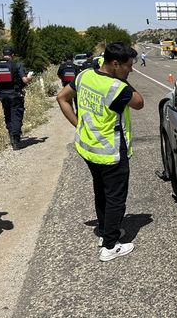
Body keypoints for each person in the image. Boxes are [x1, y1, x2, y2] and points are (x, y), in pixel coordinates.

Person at [56, 42, 144, 262]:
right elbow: (139, 103)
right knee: (115, 198)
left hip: (88, 148)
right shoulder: (117, 87)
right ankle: (110, 245)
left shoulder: (84, 75)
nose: (131, 70)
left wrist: (78, 126)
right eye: (128, 66)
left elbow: (62, 98)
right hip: (110, 152)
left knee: (101, 192)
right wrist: (122, 80)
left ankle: (106, 230)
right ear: (115, 64)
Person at [0, 46, 33, 150]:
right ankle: (15, 139)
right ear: (13, 55)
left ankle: (11, 135)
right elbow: (25, 80)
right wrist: (30, 78)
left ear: (3, 54)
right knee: (16, 115)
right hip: (15, 95)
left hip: (2, 96)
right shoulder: (16, 64)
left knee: (8, 115)